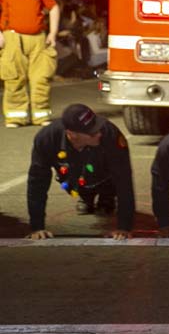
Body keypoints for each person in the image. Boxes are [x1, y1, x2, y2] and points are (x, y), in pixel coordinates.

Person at [26, 103, 134, 240]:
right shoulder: (46, 139)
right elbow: (37, 183)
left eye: (98, 128)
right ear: (72, 134)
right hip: (72, 176)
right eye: (93, 133)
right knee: (73, 180)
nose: (99, 134)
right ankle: (86, 196)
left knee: (108, 187)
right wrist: (37, 227)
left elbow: (124, 179)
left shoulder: (110, 133)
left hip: (105, 176)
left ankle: (107, 197)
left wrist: (124, 227)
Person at [1, 0, 59, 127]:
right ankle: (15, 117)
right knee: (14, 79)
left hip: (38, 39)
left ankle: (41, 116)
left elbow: (53, 8)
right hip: (12, 38)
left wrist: (53, 33)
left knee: (41, 79)